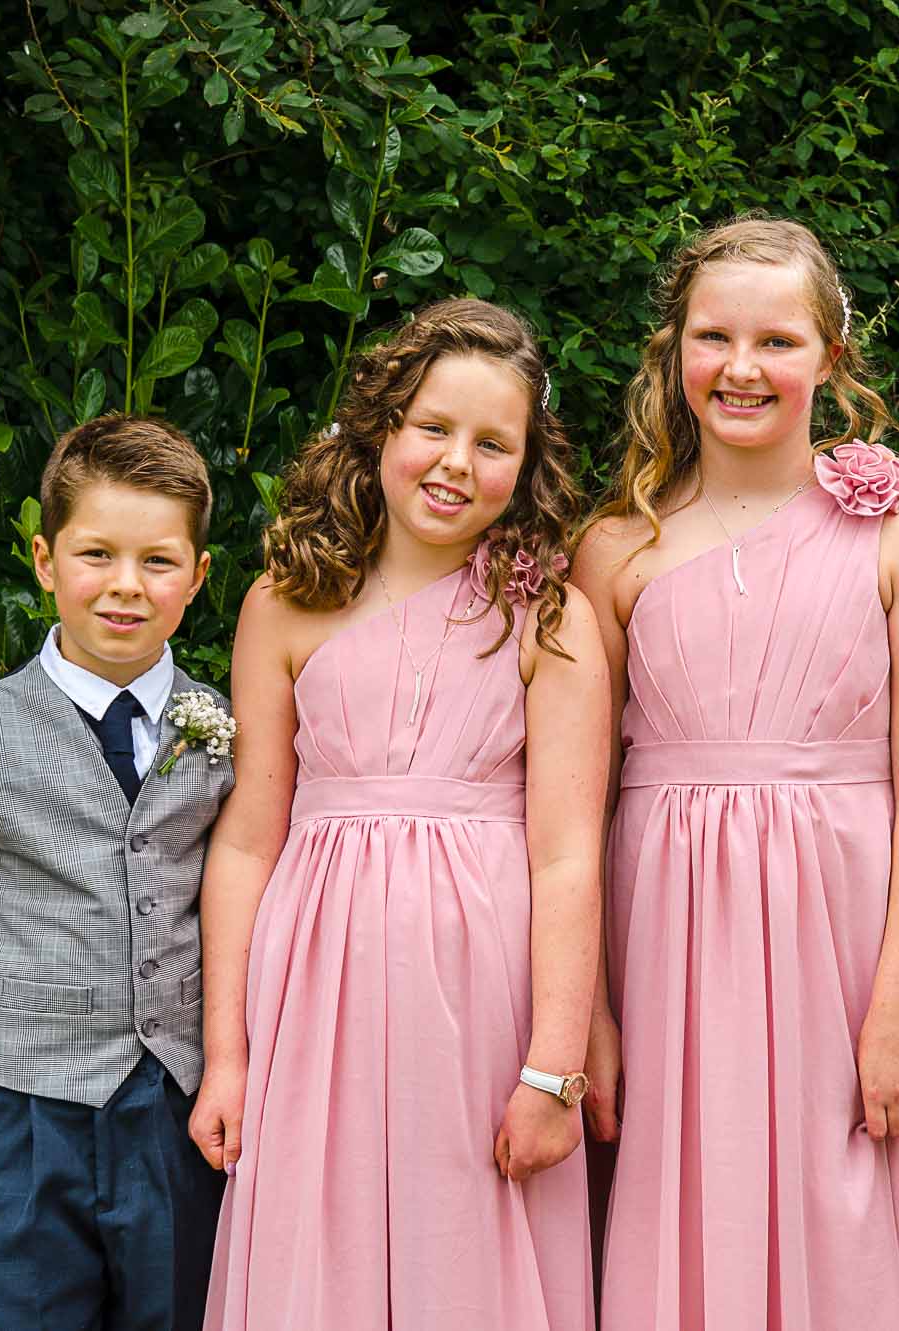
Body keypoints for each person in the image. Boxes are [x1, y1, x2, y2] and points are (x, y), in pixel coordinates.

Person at [571, 215, 899, 1329]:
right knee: (681, 1197)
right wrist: (588, 1010)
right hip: (663, 937)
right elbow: (576, 800)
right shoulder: (615, 549)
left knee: (841, 1215)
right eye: (713, 337)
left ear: (829, 359)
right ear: (675, 352)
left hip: (841, 936)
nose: (741, 368)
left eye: (777, 341)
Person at [196, 300, 608, 1330]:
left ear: (528, 462)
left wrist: (553, 1068)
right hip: (315, 989)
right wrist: (228, 1053)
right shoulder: (281, 604)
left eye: (491, 442)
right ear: (380, 424)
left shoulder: (548, 617)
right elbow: (248, 838)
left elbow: (566, 854)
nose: (454, 462)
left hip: (480, 995)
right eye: (433, 427)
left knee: (460, 1239)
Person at [0, 414, 229, 1330]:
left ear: (198, 578)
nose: (126, 585)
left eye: (159, 561)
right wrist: (3, 1061)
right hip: (29, 1120)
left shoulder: (223, 728)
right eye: (97, 554)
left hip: (173, 1110)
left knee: (178, 1312)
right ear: (45, 560)